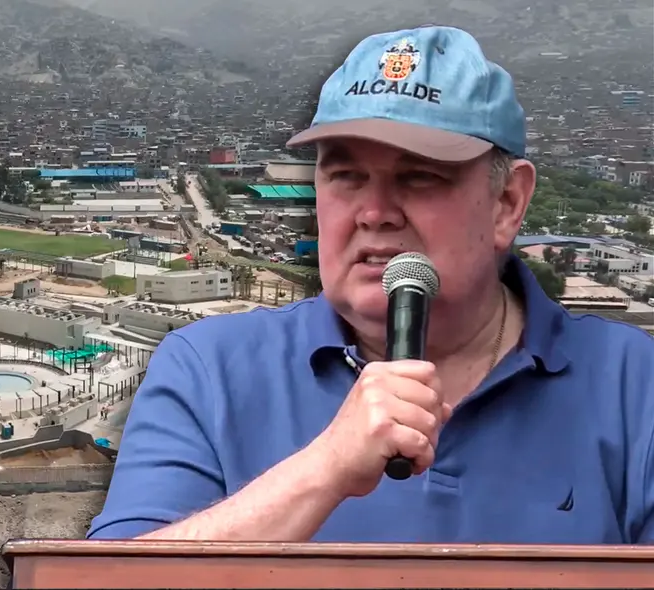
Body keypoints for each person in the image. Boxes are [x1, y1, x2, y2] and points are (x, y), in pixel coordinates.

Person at [87, 25, 654, 544]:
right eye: (346, 176)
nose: (374, 212)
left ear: (507, 204)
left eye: (420, 178)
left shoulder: (635, 389)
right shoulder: (207, 371)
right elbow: (103, 584)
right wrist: (324, 469)